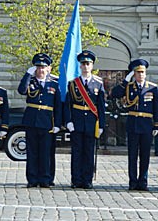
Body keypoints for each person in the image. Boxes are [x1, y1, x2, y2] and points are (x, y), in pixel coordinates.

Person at [111, 59, 158, 191]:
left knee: (145, 155)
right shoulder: (129, 87)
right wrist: (126, 80)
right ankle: (133, 182)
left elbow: (156, 108)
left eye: (142, 72)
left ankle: (143, 182)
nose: (140, 75)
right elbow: (115, 93)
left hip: (147, 125)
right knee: (132, 155)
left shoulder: (153, 88)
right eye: (137, 72)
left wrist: (156, 125)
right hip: (133, 124)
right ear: (134, 74)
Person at [17, 53, 61, 188]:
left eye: (43, 67)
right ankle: (32, 178)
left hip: (48, 121)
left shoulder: (54, 83)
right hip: (32, 120)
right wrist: (27, 74)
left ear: (49, 68)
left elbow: (58, 105)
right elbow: (21, 90)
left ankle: (46, 178)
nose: (41, 70)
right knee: (32, 151)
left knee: (46, 152)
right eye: (38, 67)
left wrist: (58, 124)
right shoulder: (30, 81)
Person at [64, 50, 105, 189]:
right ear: (80, 66)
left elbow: (100, 107)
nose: (86, 66)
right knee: (77, 152)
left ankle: (87, 180)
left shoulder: (98, 84)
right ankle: (76, 179)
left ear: (92, 65)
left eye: (88, 64)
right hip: (76, 122)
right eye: (83, 64)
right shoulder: (73, 84)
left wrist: (101, 126)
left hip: (91, 123)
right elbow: (68, 105)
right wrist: (68, 121)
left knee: (89, 152)